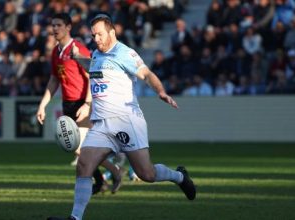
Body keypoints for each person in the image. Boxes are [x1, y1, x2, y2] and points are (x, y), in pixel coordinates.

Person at [47, 13, 197, 220]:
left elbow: (146, 74)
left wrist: (160, 91)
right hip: (101, 125)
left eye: (99, 35)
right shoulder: (97, 54)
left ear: (112, 32)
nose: (96, 39)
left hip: (126, 122)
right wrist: (78, 58)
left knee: (147, 174)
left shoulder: (125, 53)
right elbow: (93, 67)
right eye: (93, 36)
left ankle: (180, 177)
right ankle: (75, 218)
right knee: (83, 164)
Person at [36, 13, 122, 195]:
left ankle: (111, 173)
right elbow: (54, 79)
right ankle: (103, 178)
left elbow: (94, 76)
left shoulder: (78, 49)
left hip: (83, 103)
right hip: (68, 104)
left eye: (59, 25)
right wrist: (43, 104)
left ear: (68, 27)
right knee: (80, 150)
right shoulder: (56, 52)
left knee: (78, 147)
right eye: (53, 25)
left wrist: (88, 104)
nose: (55, 29)